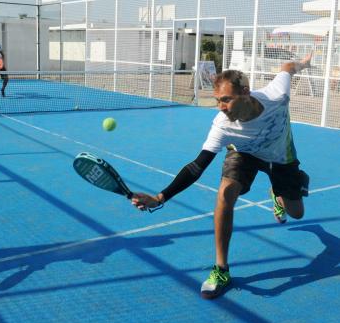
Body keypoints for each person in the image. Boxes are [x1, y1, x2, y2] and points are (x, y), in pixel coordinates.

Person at [131, 53, 313, 299]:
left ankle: (277, 193)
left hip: (281, 158)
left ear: (246, 92)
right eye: (217, 100)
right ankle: (221, 269)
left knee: (297, 213)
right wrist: (160, 197)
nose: (221, 107)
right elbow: (197, 166)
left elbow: (288, 67)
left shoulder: (277, 95)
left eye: (226, 99)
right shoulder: (222, 125)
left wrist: (303, 63)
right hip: (244, 154)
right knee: (225, 193)